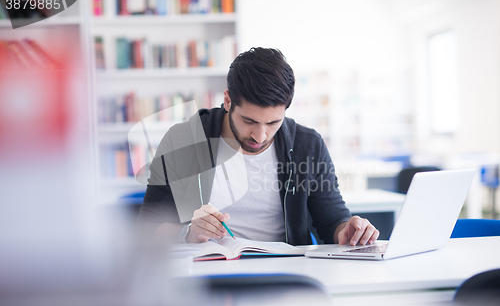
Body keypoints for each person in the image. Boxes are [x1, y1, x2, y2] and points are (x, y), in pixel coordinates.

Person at [138, 47, 379, 246]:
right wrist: (188, 234)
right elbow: (147, 227)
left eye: (273, 122)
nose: (260, 136)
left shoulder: (308, 145)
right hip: (204, 274)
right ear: (228, 100)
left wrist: (348, 232)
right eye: (249, 121)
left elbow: (332, 221)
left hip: (284, 275)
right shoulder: (183, 140)